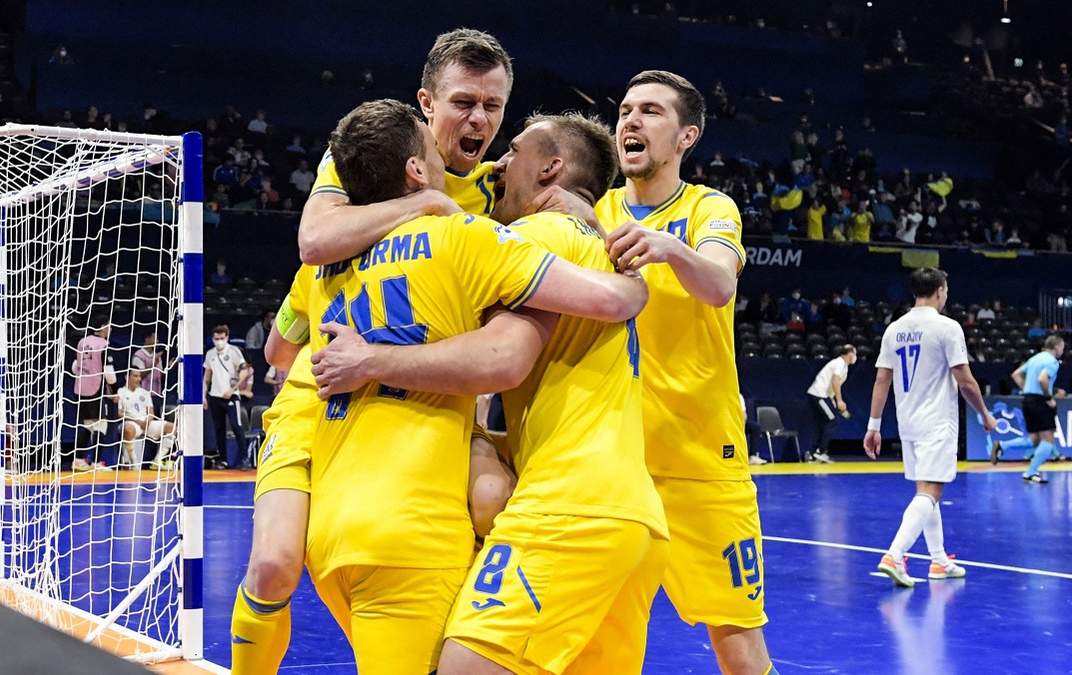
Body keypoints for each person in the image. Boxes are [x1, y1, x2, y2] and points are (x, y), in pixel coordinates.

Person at [289, 98, 648, 674]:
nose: (496, 164)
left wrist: (369, 360)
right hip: (600, 503)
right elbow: (598, 302)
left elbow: (280, 347)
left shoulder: (327, 267)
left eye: (513, 150)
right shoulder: (477, 239)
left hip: (352, 522)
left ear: (552, 169)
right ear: (415, 169)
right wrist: (635, 287)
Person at [233, 29, 530, 674]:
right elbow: (313, 245)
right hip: (321, 395)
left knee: (491, 502)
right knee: (274, 562)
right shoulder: (368, 160)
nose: (479, 120)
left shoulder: (499, 192)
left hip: (417, 397)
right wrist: (427, 203)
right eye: (463, 103)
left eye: (492, 106)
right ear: (427, 102)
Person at [595, 70, 774, 675]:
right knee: (603, 640)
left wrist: (669, 247)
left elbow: (720, 284)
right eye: (625, 110)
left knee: (736, 641)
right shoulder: (594, 211)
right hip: (612, 464)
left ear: (686, 136)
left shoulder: (708, 208)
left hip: (700, 459)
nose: (631, 120)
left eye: (651, 111)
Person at [864, 267, 996, 587]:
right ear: (939, 291)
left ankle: (938, 561)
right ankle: (894, 555)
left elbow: (882, 379)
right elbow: (965, 381)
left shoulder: (894, 329)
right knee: (930, 491)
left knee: (925, 490)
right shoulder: (947, 327)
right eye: (946, 289)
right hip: (937, 422)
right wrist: (984, 414)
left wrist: (874, 425)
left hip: (908, 423)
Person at [991, 335, 1065, 482]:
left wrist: (1027, 389)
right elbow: (1042, 379)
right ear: (1057, 347)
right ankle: (1031, 472)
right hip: (1040, 402)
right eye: (1062, 347)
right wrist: (1048, 398)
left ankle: (1002, 445)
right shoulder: (1052, 362)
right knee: (1048, 441)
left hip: (1027, 400)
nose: (1063, 351)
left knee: (1034, 440)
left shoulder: (1034, 358)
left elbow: (1016, 374)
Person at [71, 323, 116, 471]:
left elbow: (74, 366)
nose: (110, 329)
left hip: (80, 388)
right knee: (101, 425)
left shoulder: (82, 342)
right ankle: (96, 462)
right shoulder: (104, 344)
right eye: (109, 326)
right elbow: (109, 373)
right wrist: (115, 391)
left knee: (88, 425)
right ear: (102, 327)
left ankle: (78, 460)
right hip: (96, 388)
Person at [204, 325, 249, 470]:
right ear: (213, 339)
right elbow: (206, 377)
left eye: (222, 338)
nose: (219, 341)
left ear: (227, 338)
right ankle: (223, 460)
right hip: (215, 396)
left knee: (237, 426)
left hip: (231, 396)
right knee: (219, 429)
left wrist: (232, 389)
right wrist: (204, 396)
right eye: (216, 339)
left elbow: (244, 372)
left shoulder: (234, 351)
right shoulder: (210, 354)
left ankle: (244, 458)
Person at [806, 345, 857, 463]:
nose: (855, 357)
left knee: (823, 423)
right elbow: (835, 381)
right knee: (832, 421)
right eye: (854, 354)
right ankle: (820, 451)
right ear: (849, 353)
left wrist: (833, 400)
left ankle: (813, 453)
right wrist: (839, 400)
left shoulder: (844, 367)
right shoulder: (839, 363)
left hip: (821, 395)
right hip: (818, 394)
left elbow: (831, 385)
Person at [116, 369, 175, 468]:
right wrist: (137, 421)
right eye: (135, 376)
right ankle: (133, 463)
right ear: (127, 377)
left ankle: (157, 460)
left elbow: (151, 412)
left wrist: (148, 421)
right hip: (131, 422)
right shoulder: (121, 391)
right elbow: (119, 413)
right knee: (128, 429)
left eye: (139, 376)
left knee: (171, 427)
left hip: (146, 422)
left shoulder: (144, 392)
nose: (138, 379)